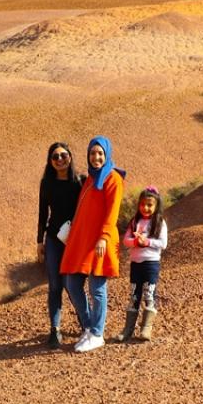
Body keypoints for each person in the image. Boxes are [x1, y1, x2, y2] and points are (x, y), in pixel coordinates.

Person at [59, 135, 126, 353]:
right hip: (83, 241)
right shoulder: (90, 178)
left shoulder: (113, 179)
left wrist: (104, 238)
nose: (96, 157)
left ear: (107, 155)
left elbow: (112, 213)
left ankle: (97, 334)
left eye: (100, 153)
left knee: (97, 289)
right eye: (92, 153)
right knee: (72, 283)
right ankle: (88, 327)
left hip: (100, 242)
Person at [36, 141, 85, 349]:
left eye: (63, 155)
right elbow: (42, 213)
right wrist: (39, 241)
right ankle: (55, 330)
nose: (59, 160)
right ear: (50, 161)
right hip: (54, 239)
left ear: (70, 157)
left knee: (72, 283)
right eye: (55, 157)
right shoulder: (47, 183)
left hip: (75, 240)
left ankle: (86, 323)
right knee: (55, 285)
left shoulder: (80, 181)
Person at [114, 186, 168, 342]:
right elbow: (126, 241)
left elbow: (163, 243)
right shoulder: (134, 221)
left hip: (151, 263)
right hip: (135, 263)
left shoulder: (159, 222)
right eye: (143, 204)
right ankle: (128, 330)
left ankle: (146, 328)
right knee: (134, 295)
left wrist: (147, 242)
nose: (146, 207)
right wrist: (136, 241)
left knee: (149, 294)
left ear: (156, 206)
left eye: (150, 204)